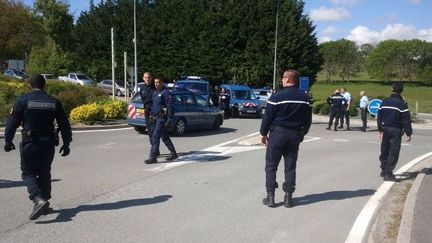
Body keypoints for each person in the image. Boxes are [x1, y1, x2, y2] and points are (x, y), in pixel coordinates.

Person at [3, 74, 72, 220]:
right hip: (48, 144)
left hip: (31, 143)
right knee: (44, 171)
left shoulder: (23, 100)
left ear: (30, 85)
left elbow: (12, 123)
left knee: (28, 173)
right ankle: (44, 202)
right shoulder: (54, 102)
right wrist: (66, 143)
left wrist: (8, 141)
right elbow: (64, 124)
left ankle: (38, 199)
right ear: (44, 85)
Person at [260, 69, 312, 208]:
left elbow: (267, 117)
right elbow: (308, 120)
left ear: (288, 79)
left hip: (277, 134)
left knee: (271, 166)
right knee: (290, 167)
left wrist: (263, 133)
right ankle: (288, 198)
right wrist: (302, 134)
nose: (282, 80)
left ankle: (270, 197)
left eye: (283, 78)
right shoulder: (305, 98)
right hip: (294, 135)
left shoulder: (276, 96)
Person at [377, 82, 412, 181]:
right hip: (396, 129)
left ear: (392, 89)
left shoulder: (385, 101)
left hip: (385, 128)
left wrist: (380, 129)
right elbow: (406, 119)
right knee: (394, 150)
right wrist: (408, 133)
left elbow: (379, 116)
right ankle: (388, 173)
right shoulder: (402, 104)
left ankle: (383, 169)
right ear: (401, 91)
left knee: (384, 149)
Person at [144, 77, 178, 164]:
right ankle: (173, 153)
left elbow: (170, 107)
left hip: (161, 118)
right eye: (155, 82)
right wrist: (149, 109)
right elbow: (155, 105)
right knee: (164, 136)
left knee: (155, 137)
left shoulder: (166, 93)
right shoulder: (155, 92)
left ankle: (153, 157)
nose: (156, 84)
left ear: (162, 83)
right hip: (154, 118)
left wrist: (169, 120)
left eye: (158, 82)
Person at [139, 72, 160, 156]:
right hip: (147, 113)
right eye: (145, 77)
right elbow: (143, 99)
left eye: (149, 77)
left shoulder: (156, 87)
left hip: (156, 113)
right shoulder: (142, 88)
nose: (147, 79)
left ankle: (154, 150)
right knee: (150, 133)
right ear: (143, 78)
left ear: (151, 78)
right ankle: (155, 149)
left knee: (156, 133)